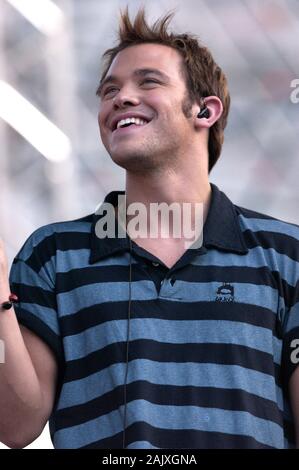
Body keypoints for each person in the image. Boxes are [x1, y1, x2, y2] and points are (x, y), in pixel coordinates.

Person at [0, 6, 299, 449]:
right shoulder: (53, 254)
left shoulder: (286, 253)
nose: (119, 98)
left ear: (205, 110)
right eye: (109, 90)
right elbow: (15, 426)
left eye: (148, 81)